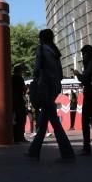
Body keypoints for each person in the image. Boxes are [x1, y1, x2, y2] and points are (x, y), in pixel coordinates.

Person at [26, 29, 75, 161]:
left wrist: (36, 84)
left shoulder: (41, 50)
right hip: (54, 88)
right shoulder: (55, 52)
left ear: (41, 38)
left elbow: (37, 70)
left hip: (45, 88)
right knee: (43, 122)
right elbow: (59, 74)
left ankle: (67, 153)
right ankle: (34, 151)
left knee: (53, 121)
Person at [12, 64, 29, 143]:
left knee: (14, 120)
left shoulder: (11, 78)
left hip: (12, 101)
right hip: (19, 101)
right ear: (20, 71)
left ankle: (15, 137)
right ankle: (20, 137)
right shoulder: (19, 78)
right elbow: (24, 89)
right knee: (21, 119)